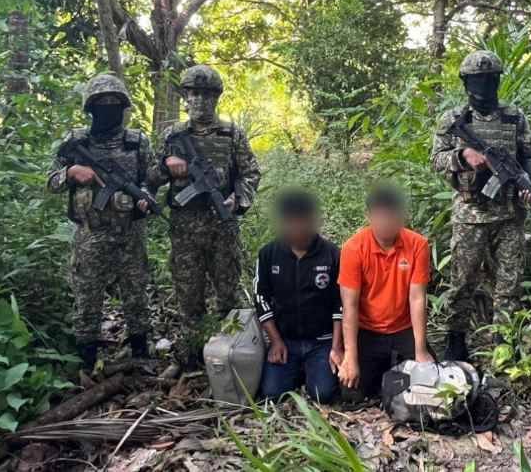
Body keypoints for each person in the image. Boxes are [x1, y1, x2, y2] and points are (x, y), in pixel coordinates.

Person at [431, 50, 531, 362]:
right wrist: (462, 157)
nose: (484, 86)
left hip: (509, 215)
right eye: (478, 80)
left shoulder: (514, 117)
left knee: (509, 283)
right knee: (463, 280)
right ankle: (455, 340)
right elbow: (435, 159)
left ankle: (504, 343)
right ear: (466, 82)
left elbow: (530, 154)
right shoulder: (455, 120)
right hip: (470, 214)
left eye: (490, 79)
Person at [148, 65, 261, 361]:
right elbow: (150, 177)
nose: (200, 100)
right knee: (188, 295)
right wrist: (167, 167)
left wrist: (237, 199)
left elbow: (250, 173)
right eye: (194, 94)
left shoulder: (231, 134)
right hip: (185, 228)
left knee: (228, 294)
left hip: (222, 226)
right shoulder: (172, 135)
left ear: (216, 98)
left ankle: (231, 356)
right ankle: (193, 355)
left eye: (207, 95)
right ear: (186, 97)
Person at [47, 73, 155, 370]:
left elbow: (151, 179)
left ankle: (140, 354)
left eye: (114, 104)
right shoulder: (75, 142)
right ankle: (86, 360)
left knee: (136, 294)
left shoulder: (138, 142)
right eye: (102, 104)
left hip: (131, 232)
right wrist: (70, 173)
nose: (108, 110)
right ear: (90, 108)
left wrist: (144, 197)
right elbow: (51, 181)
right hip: (90, 233)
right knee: (87, 297)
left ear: (123, 107)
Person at [337, 184, 434, 398]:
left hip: (403, 328)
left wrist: (420, 350)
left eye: (391, 216)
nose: (386, 223)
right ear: (369, 216)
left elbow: (417, 298)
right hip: (368, 329)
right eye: (380, 216)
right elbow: (349, 306)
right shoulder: (353, 249)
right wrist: (350, 356)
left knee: (427, 381)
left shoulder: (418, 245)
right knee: (351, 392)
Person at [254, 189, 343, 403]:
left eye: (303, 221)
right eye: (291, 221)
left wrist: (337, 347)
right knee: (272, 394)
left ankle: (313, 370)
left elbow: (340, 303)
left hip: (321, 341)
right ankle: (296, 369)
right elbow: (261, 298)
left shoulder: (332, 254)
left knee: (324, 394)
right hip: (286, 339)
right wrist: (275, 341)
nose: (297, 228)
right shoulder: (269, 254)